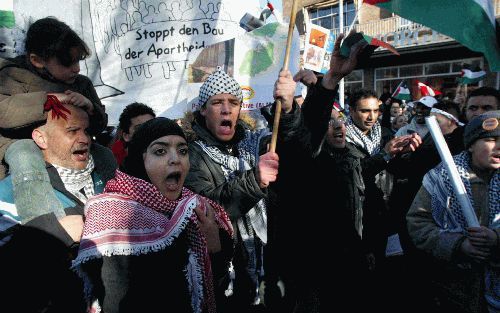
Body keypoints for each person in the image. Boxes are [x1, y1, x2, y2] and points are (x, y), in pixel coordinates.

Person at [73, 117, 233, 313]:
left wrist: (214, 247)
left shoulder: (194, 210)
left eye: (183, 151)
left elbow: (217, 286)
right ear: (140, 159)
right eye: (160, 151)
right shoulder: (112, 215)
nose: (175, 159)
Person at [264, 32, 367, 311]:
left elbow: (307, 134)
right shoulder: (269, 144)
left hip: (338, 263)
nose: (335, 128)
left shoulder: (348, 156)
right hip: (299, 267)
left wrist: (331, 79)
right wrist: (286, 113)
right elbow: (300, 147)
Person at [0, 104, 117, 313]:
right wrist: (57, 232)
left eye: (87, 131)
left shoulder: (111, 180)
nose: (84, 139)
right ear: (41, 138)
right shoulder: (10, 192)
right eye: (72, 131)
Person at [183, 67, 282, 312]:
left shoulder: (253, 144)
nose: (227, 109)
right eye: (217, 102)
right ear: (203, 109)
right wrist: (254, 180)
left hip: (264, 267)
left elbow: (297, 143)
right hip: (224, 276)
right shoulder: (190, 153)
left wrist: (288, 109)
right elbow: (209, 209)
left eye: (233, 102)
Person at [0, 17, 108, 231]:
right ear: (37, 60)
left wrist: (90, 107)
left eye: (79, 61)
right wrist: (50, 100)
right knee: (24, 153)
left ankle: (112, 211)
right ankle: (45, 225)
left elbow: (100, 124)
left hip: (67, 146)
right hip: (21, 145)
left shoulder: (81, 84)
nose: (77, 69)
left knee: (104, 154)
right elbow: (4, 112)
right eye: (68, 62)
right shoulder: (12, 77)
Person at [407, 110, 500, 313]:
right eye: (491, 140)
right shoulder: (441, 179)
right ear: (471, 144)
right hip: (455, 290)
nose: (499, 147)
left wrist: (496, 238)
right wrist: (458, 245)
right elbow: (418, 223)